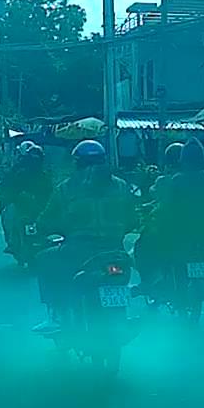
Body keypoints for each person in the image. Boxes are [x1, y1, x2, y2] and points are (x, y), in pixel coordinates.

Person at [32, 140, 137, 334]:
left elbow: (45, 222)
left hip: (79, 252)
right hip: (115, 251)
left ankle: (56, 315)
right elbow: (133, 220)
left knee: (43, 258)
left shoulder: (66, 188)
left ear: (77, 162)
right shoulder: (121, 186)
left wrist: (49, 230)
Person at [136, 138, 204, 295]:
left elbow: (167, 207)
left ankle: (151, 283)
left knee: (148, 245)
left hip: (179, 232)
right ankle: (202, 282)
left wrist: (156, 218)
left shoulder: (177, 180)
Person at [133, 142, 183, 288]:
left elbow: (155, 194)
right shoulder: (202, 179)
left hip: (168, 229)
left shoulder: (165, 180)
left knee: (141, 247)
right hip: (197, 231)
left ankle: (147, 282)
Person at [0, 141, 53, 254]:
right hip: (20, 206)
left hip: (39, 208)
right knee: (8, 213)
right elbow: (8, 189)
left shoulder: (45, 175)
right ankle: (12, 242)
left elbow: (50, 193)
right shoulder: (16, 172)